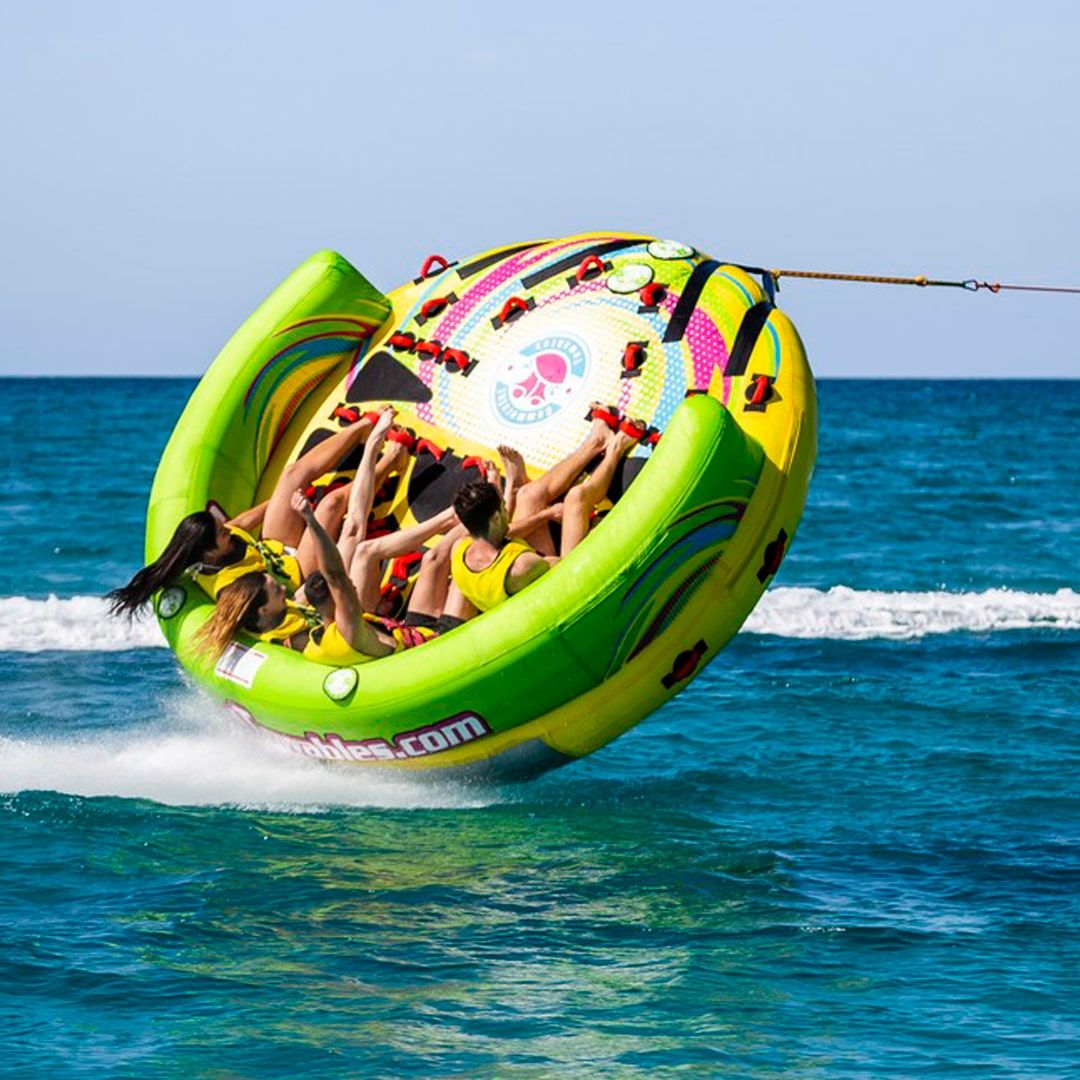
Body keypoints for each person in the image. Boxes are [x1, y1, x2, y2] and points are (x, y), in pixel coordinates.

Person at [106, 408, 395, 617]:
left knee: (291, 475)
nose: (227, 529)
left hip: (276, 545)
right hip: (299, 575)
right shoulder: (227, 585)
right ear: (210, 554)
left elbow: (245, 521)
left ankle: (360, 429)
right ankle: (389, 462)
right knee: (330, 504)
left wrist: (286, 500)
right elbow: (272, 609)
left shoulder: (222, 538)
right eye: (222, 532)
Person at [197, 490, 445, 665]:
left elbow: (333, 581)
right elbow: (337, 577)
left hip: (386, 631)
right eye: (276, 590)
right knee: (418, 556)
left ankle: (375, 452)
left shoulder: (270, 621)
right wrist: (309, 520)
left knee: (356, 540)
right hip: (412, 644)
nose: (283, 590)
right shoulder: (337, 634)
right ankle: (452, 517)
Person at [449, 411, 643, 613]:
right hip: (566, 590)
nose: (508, 510)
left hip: (535, 578)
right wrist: (580, 524)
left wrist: (546, 514)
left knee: (528, 495)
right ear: (496, 517)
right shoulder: (522, 566)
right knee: (576, 498)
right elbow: (568, 570)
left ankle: (596, 441)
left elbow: (505, 534)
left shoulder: (460, 549)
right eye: (504, 507)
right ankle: (615, 450)